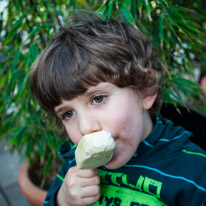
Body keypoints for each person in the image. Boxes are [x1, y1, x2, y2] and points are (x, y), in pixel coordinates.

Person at [29, 13, 206, 206]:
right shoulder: (76, 161)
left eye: (98, 98)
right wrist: (63, 199)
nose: (85, 128)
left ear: (145, 91)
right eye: (68, 113)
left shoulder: (193, 173)